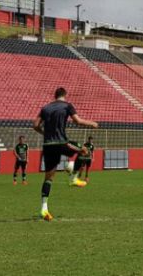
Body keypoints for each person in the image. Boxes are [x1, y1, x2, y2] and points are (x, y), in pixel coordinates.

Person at [33, 87, 98, 221]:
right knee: (84, 150)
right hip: (61, 142)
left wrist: (45, 133)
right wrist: (92, 123)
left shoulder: (45, 108)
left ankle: (44, 209)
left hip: (48, 145)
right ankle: (73, 177)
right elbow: (78, 121)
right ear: (65, 95)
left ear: (54, 95)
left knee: (49, 178)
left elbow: (35, 125)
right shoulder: (67, 106)